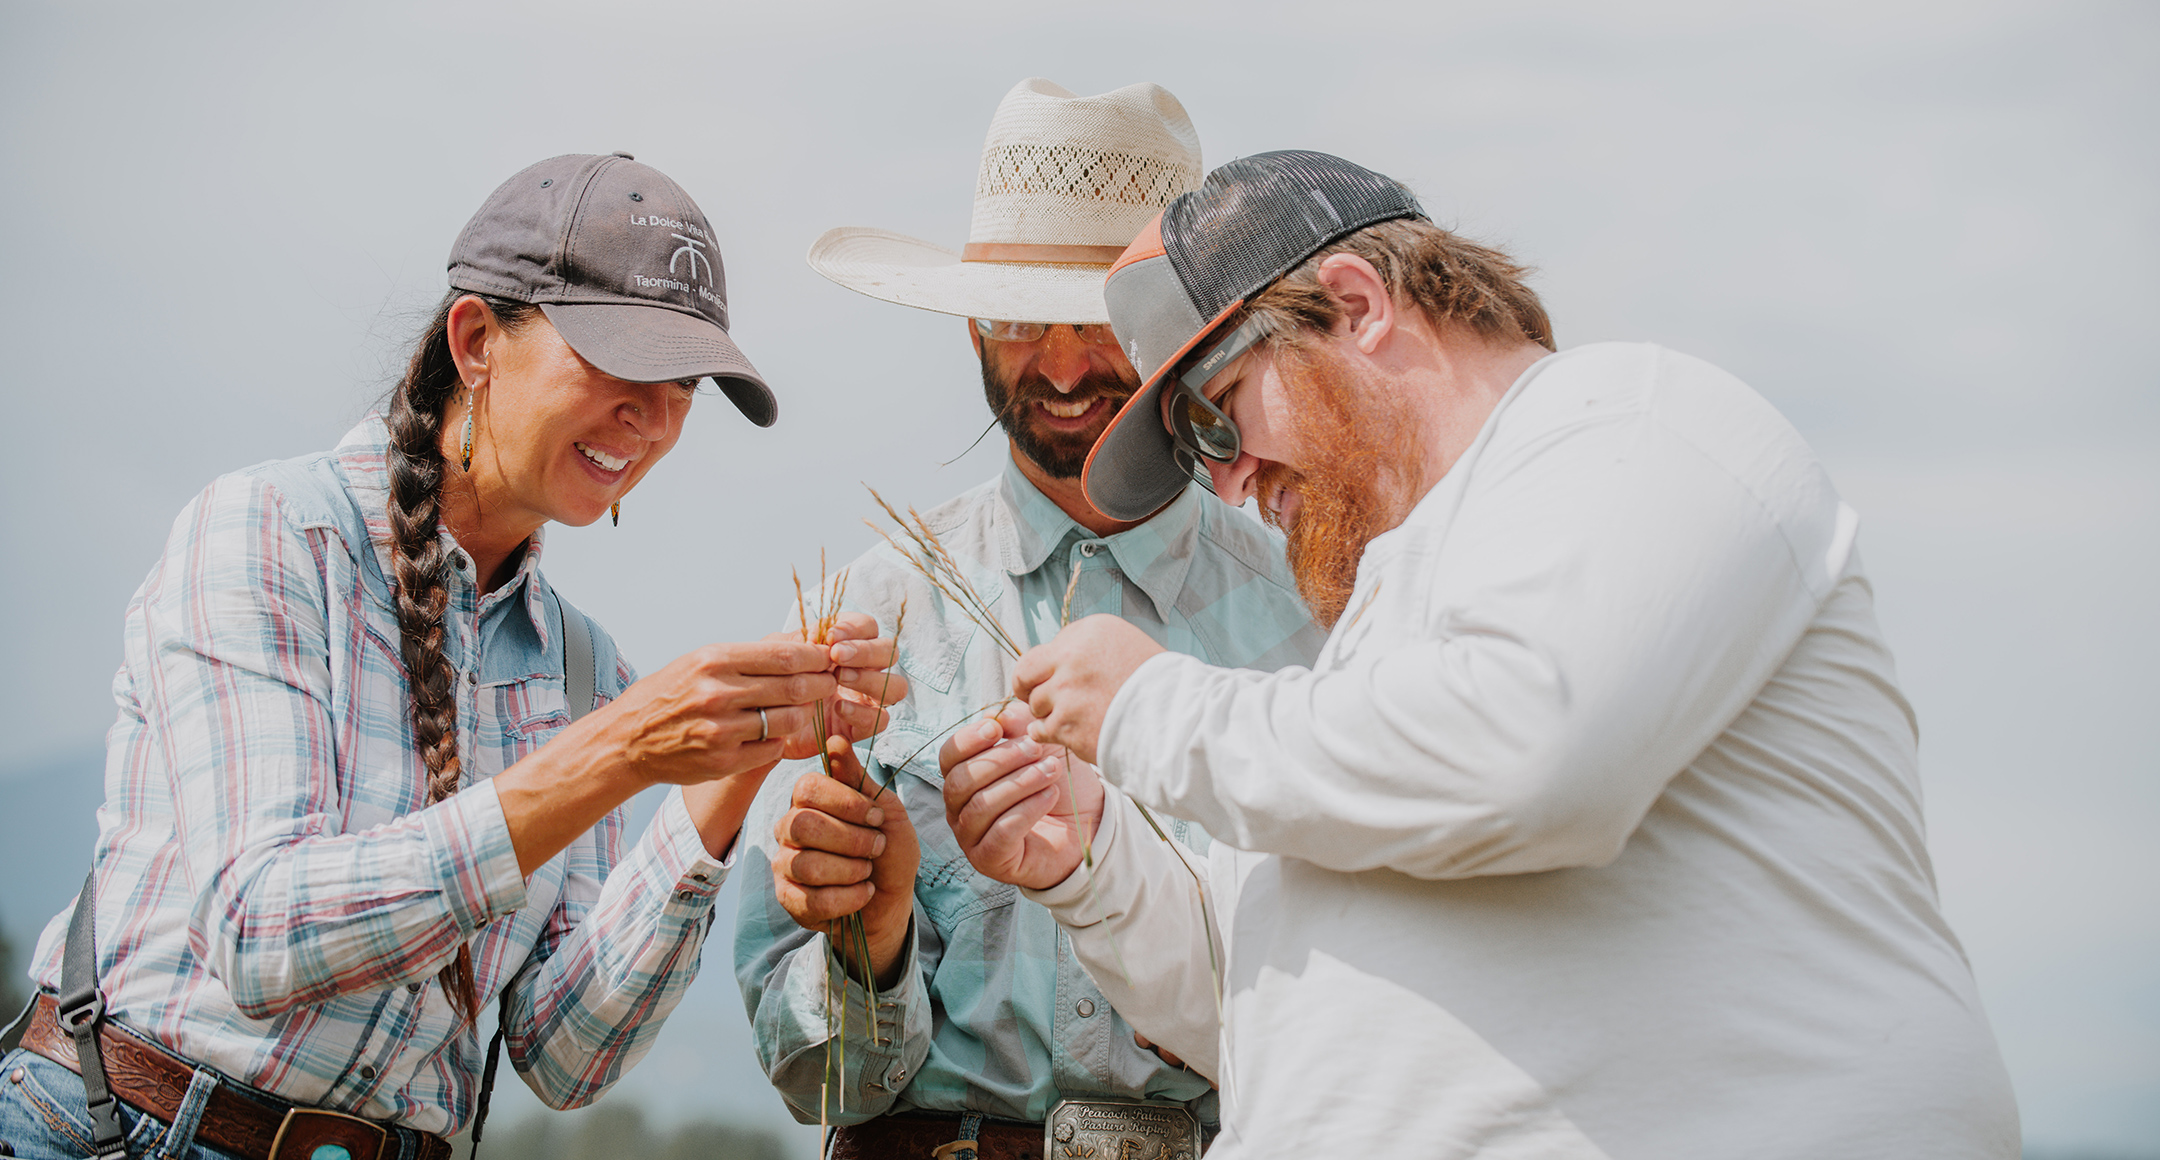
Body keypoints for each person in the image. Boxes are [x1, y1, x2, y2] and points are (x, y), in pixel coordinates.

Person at [942, 151, 2021, 1158]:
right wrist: (1092, 858)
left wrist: (1150, 708)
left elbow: (1531, 755)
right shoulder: (1389, 624)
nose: (1222, 482)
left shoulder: (1632, 427)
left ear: (1359, 306)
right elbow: (1261, 1000)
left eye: (1216, 419)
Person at [0, 153, 905, 1160]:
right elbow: (261, 933)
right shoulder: (271, 535)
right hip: (125, 1129)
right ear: (476, 339)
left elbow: (569, 1056)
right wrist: (620, 751)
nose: (652, 419)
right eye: (620, 362)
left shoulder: (581, 666)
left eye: (683, 382)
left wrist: (725, 775)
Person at [732, 82, 1324, 1158]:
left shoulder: (1309, 621)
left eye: (1099, 320)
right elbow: (805, 1072)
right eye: (1017, 319)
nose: (1058, 367)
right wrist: (873, 946)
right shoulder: (862, 615)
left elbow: (1343, 1016)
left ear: (1178, 334)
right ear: (970, 328)